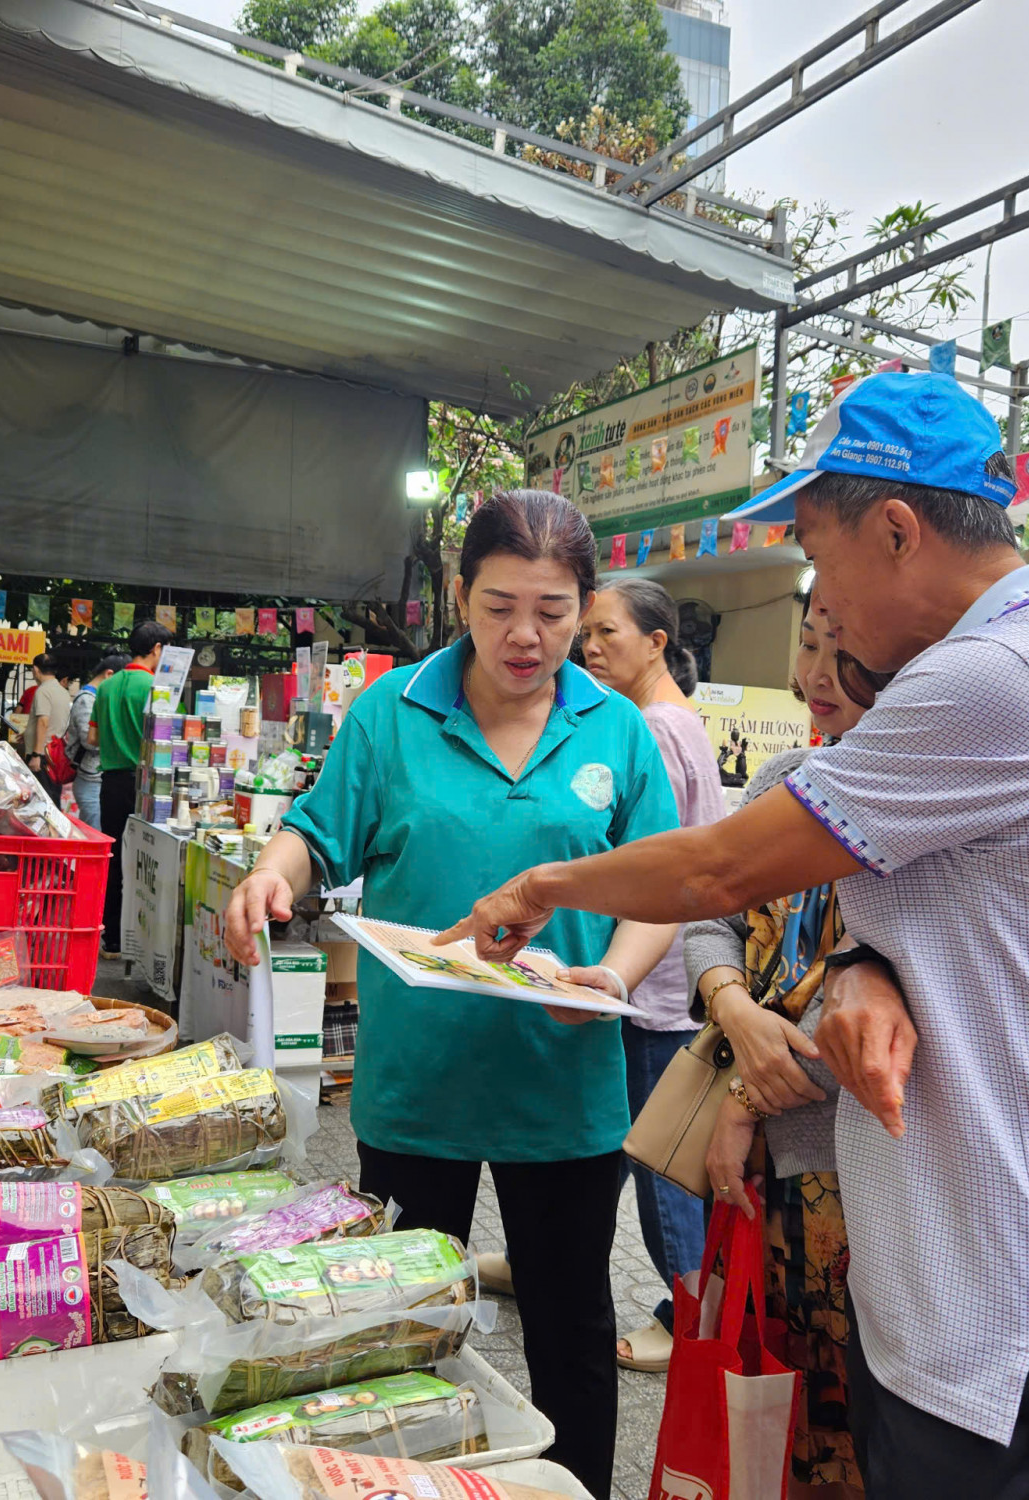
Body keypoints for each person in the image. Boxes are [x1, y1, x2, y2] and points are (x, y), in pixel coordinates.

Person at [435, 374, 1029, 1500]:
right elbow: (944, 912)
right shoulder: (1028, 661)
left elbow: (722, 866)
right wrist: (863, 965)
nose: (817, 599)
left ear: (895, 529)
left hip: (1023, 1314)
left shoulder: (1000, 676)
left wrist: (541, 883)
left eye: (816, 555)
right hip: (971, 1293)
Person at [221, 491, 683, 1500]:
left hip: (561, 1086)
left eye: (554, 612)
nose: (525, 636)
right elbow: (316, 831)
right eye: (499, 606)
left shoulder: (618, 730)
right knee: (399, 1327)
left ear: (586, 605)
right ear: (459, 596)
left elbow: (661, 888)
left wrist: (611, 975)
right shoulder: (393, 712)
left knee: (569, 1327)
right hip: (418, 1081)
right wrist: (271, 873)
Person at [691, 589, 882, 1499]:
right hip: (752, 1174)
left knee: (847, 1419)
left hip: (853, 1174)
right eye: (808, 644)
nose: (815, 676)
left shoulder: (918, 810)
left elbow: (878, 995)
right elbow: (709, 917)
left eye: (843, 652)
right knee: (758, 1388)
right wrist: (731, 1004)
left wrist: (746, 1096)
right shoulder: (785, 780)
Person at [580, 576, 726, 1374]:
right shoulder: (668, 719)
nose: (591, 648)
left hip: (656, 988)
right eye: (588, 636)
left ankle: (689, 1316)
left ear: (657, 642)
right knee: (611, 1149)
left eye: (607, 634)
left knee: (662, 1169)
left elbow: (648, 865)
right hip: (652, 984)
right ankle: (558, 1266)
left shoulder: (656, 728)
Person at [92, 621, 171, 953]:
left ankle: (110, 936)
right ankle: (139, 938)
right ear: (156, 650)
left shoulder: (106, 687)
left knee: (113, 860)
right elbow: (167, 740)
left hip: (109, 783)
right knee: (144, 862)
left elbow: (92, 738)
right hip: (144, 785)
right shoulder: (156, 687)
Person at [67, 653, 127, 829]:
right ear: (109, 675)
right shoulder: (87, 699)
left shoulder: (99, 697)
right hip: (90, 779)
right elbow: (89, 740)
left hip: (98, 779)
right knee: (94, 831)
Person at [25, 652, 74, 791]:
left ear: (35, 669)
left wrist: (36, 755)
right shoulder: (63, 691)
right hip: (55, 754)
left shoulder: (43, 691)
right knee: (51, 797)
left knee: (40, 800)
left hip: (41, 755)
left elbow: (44, 722)